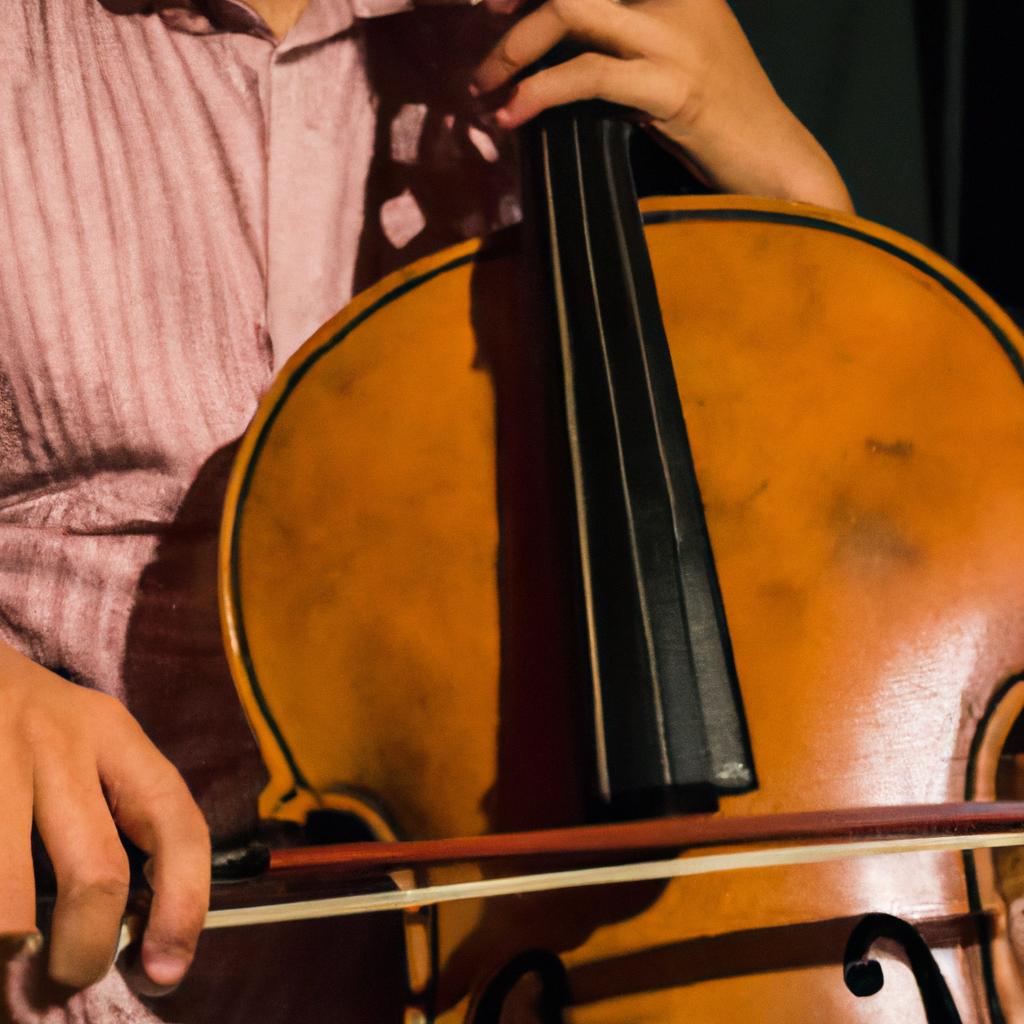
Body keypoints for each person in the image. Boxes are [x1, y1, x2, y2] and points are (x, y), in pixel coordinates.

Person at [0, 0, 850, 1018]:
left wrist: (796, 195)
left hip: (534, 971)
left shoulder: (575, 39)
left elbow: (862, 561)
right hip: (67, 966)